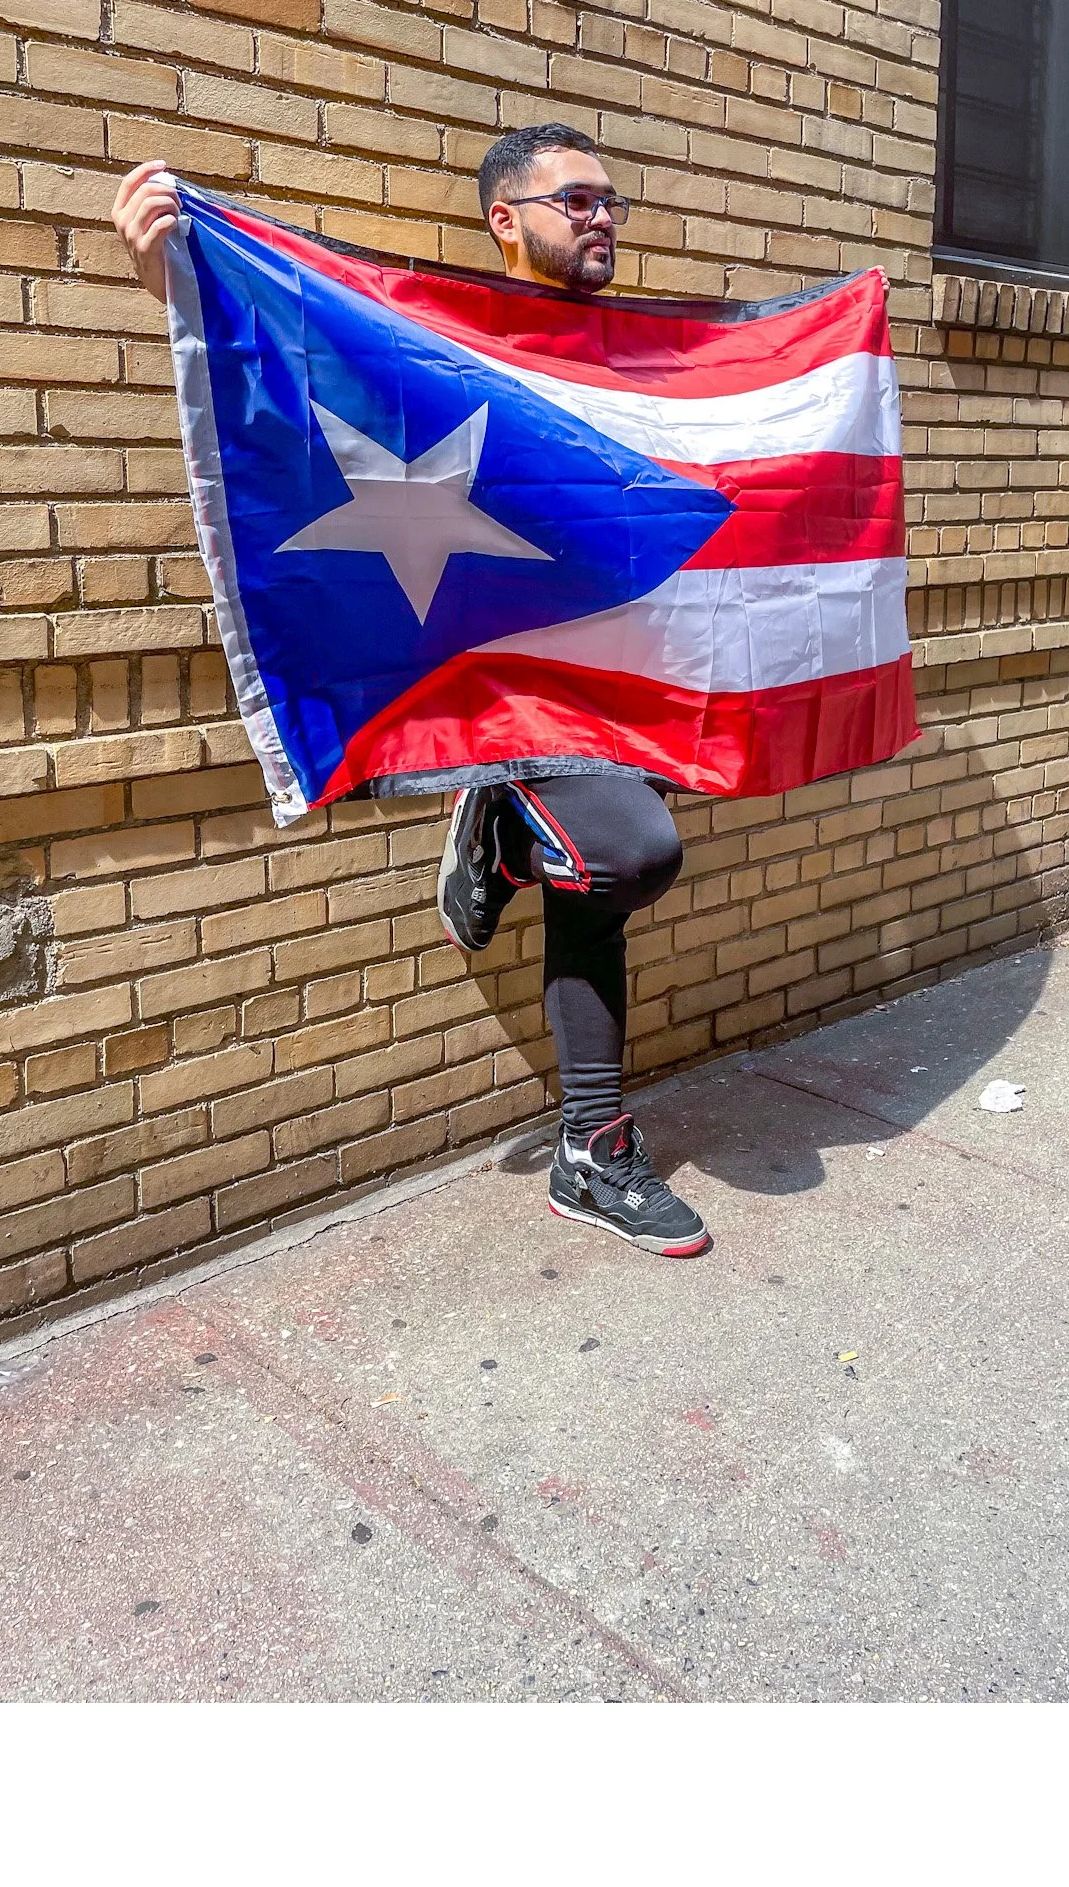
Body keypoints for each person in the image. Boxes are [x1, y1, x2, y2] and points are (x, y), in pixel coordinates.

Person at [110, 127, 710, 1255]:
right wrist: (178, 277)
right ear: (505, 219)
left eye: (611, 202)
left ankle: (592, 1146)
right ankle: (492, 800)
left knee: (597, 888)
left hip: (616, 661)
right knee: (631, 853)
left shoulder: (640, 349)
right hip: (494, 673)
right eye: (575, 199)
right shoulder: (445, 332)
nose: (601, 219)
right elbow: (294, 371)